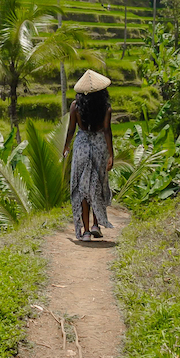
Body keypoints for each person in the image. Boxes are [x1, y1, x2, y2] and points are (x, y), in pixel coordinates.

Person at [62, 69, 114, 241]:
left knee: (83, 189)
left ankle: (85, 232)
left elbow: (71, 129)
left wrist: (66, 146)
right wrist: (111, 154)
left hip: (82, 147)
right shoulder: (106, 108)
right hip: (100, 146)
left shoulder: (75, 106)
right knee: (97, 186)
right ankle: (96, 225)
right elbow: (106, 130)